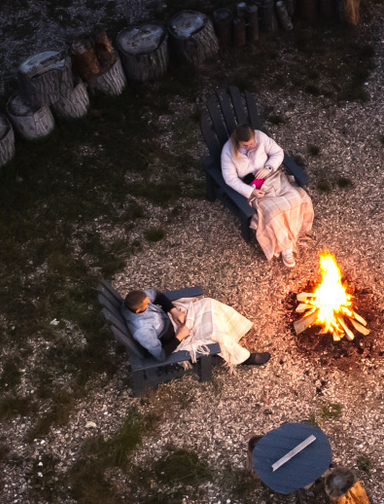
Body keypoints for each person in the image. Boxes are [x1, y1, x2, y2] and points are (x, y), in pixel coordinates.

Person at [221, 124, 313, 268]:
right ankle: (286, 249)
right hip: (253, 187)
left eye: (252, 143)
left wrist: (268, 167)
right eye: (246, 145)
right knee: (273, 212)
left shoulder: (260, 137)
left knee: (297, 199)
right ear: (237, 142)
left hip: (271, 177)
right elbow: (230, 179)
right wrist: (251, 192)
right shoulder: (228, 152)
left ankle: (293, 233)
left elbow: (278, 152)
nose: (250, 147)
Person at [125, 288, 269, 367]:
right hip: (173, 338)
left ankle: (235, 329)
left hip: (171, 319)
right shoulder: (142, 331)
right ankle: (245, 358)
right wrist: (180, 336)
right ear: (137, 311)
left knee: (208, 303)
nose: (149, 302)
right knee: (216, 334)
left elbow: (157, 295)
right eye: (147, 304)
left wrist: (173, 311)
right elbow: (161, 355)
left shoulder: (135, 299)